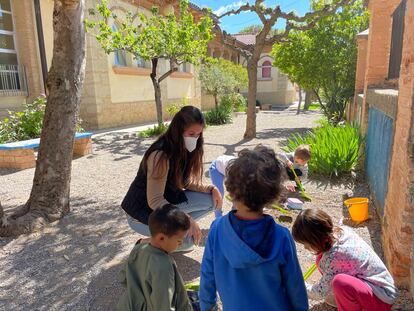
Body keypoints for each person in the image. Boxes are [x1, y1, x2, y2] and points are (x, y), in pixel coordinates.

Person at [199, 145, 308, 311]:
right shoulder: (281, 236)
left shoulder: (217, 229)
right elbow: (295, 285)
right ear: (272, 195)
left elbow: (207, 274)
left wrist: (208, 306)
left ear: (230, 188)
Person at [121, 106, 222, 249]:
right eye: (191, 133)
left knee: (213, 200)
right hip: (141, 213)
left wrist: (211, 188)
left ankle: (176, 232)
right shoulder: (160, 155)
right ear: (178, 130)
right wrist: (186, 218)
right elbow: (155, 200)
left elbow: (184, 181)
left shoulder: (185, 148)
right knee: (186, 242)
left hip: (166, 202)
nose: (195, 138)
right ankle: (145, 244)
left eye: (198, 134)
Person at [292, 208, 398, 311]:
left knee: (340, 282)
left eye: (306, 244)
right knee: (321, 258)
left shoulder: (334, 258)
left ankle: (351, 303)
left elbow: (319, 293)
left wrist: (300, 285)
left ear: (316, 239)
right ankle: (346, 298)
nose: (305, 247)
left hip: (382, 300)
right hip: (379, 286)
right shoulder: (342, 231)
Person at [117, 204, 198, 311]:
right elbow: (164, 306)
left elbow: (123, 278)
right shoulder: (164, 266)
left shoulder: (138, 248)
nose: (181, 243)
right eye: (179, 241)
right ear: (161, 238)